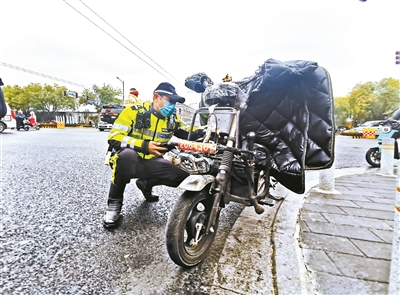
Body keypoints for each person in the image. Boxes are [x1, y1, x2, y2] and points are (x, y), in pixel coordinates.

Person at [103, 82, 202, 229]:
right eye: (170, 101)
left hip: (153, 162)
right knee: (126, 157)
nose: (173, 106)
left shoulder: (171, 119)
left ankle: (146, 183)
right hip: (130, 161)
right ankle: (114, 205)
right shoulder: (133, 112)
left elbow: (189, 131)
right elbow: (114, 137)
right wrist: (144, 146)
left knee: (185, 175)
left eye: (175, 103)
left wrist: (210, 131)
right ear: (156, 97)